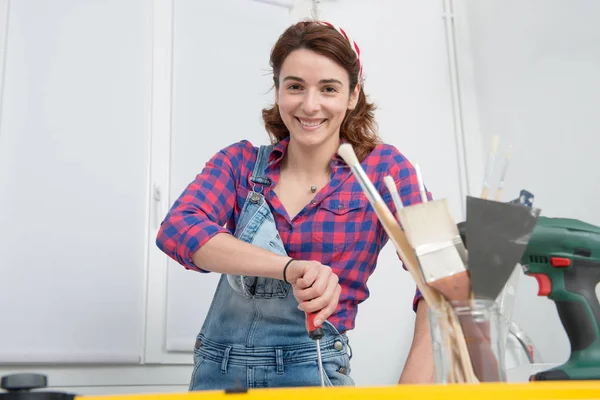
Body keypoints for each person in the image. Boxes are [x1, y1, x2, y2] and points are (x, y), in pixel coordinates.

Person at [156, 20, 434, 391]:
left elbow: (442, 276)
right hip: (217, 373)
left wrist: (415, 391)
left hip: (313, 372)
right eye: (295, 87)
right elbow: (178, 230)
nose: (310, 104)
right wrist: (288, 268)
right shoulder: (238, 164)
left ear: (353, 96)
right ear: (277, 91)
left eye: (329, 88)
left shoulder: (386, 170)